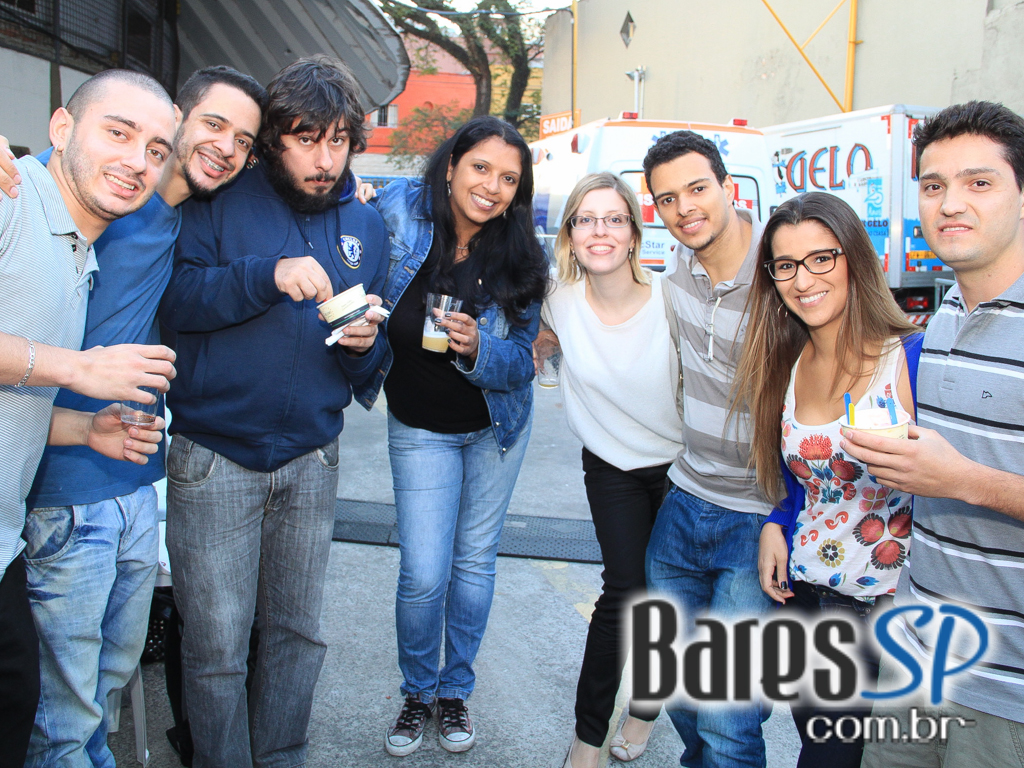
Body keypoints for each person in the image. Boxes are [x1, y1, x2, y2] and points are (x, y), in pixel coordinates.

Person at [3, 66, 264, 767]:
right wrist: (76, 373)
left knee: (105, 691)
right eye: (212, 124)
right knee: (64, 712)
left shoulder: (155, 215)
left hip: (126, 475)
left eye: (243, 139)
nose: (225, 146)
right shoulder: (53, 195)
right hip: (62, 497)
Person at [157, 55, 388, 767]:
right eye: (305, 139)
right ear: (273, 142)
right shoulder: (216, 200)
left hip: (312, 458)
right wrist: (266, 276)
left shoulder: (367, 227)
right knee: (216, 642)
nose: (324, 159)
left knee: (297, 633)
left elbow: (372, 372)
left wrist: (364, 346)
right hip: (214, 455)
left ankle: (282, 755)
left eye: (339, 140)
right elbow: (177, 305)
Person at [0, 68, 176, 766]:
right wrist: (75, 369)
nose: (138, 159)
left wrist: (79, 426)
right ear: (61, 129)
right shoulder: (12, 201)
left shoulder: (78, 251)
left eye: (157, 149)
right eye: (119, 132)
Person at [843, 102, 1024, 766]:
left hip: (1006, 694)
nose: (952, 203)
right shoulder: (946, 309)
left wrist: (966, 482)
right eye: (933, 185)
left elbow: (963, 476)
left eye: (980, 183)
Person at [366, 115, 548, 756]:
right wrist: (350, 201)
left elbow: (522, 362)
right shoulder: (397, 213)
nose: (492, 187)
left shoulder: (524, 252)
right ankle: (417, 692)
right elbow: (344, 225)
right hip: (419, 425)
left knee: (473, 564)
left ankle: (453, 692)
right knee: (422, 572)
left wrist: (478, 351)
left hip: (494, 429)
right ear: (451, 166)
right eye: (480, 168)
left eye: (508, 179)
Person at [731, 191, 922, 767]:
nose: (803, 279)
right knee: (818, 737)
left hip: (882, 609)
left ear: (854, 259)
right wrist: (777, 520)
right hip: (805, 597)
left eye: (822, 257)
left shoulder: (910, 357)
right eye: (785, 265)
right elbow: (804, 480)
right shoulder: (784, 362)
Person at [539, 172, 683, 768]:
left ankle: (645, 708)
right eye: (586, 219)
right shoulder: (556, 302)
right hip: (612, 467)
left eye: (614, 219)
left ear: (633, 235)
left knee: (669, 596)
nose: (600, 230)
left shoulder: (672, 301)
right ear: (571, 235)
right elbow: (529, 349)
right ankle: (587, 740)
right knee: (624, 592)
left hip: (682, 468)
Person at [640, 130, 775, 767]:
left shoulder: (784, 272)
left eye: (697, 189)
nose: (685, 208)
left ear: (728, 187)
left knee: (730, 720)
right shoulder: (678, 270)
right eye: (668, 199)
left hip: (759, 518)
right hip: (685, 502)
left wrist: (786, 515)